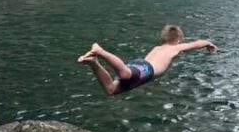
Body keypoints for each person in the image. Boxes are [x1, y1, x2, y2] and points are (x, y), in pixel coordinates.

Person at [78, 24, 218, 95]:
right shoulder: (175, 47)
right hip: (147, 69)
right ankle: (100, 51)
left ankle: (94, 63)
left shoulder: (157, 48)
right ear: (179, 39)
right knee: (125, 74)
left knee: (111, 89)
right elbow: (197, 43)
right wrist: (208, 43)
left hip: (141, 67)